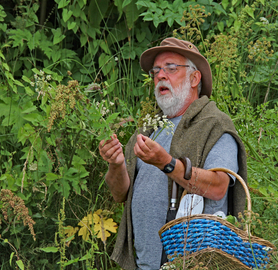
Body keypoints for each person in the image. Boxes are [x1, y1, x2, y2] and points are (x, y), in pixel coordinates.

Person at [98, 37, 248, 270]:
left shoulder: (214, 125)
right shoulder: (147, 130)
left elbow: (218, 188)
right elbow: (120, 194)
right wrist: (116, 164)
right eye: (156, 71)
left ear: (194, 78)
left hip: (194, 265)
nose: (160, 75)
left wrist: (167, 163)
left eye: (171, 68)